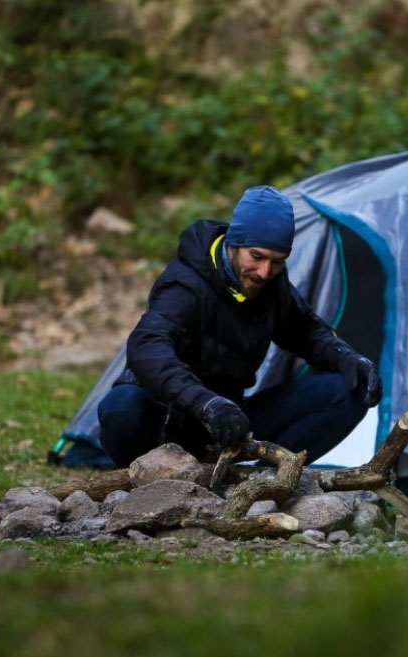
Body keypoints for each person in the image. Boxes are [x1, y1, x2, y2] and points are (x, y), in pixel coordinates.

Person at [98, 185, 381, 467]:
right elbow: (146, 346)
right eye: (256, 257)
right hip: (169, 420)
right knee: (122, 406)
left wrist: (347, 358)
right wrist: (206, 403)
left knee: (348, 391)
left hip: (227, 424)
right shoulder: (186, 284)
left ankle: (266, 484)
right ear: (234, 243)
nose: (265, 272)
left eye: (277, 262)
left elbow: (306, 331)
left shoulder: (272, 285)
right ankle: (141, 481)